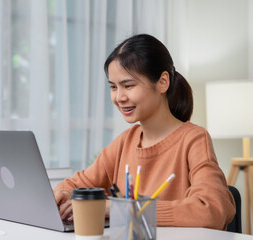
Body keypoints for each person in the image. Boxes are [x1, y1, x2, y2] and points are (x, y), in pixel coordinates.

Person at [53, 34, 235, 230]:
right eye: (113, 87)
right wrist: (62, 192)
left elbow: (210, 211)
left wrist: (119, 209)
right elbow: (77, 183)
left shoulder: (194, 139)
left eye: (128, 85)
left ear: (163, 82)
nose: (119, 97)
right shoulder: (125, 141)